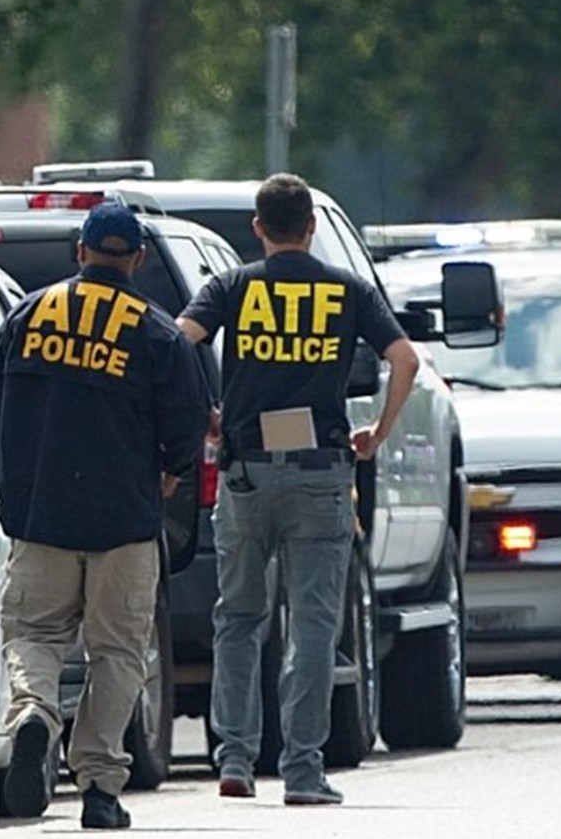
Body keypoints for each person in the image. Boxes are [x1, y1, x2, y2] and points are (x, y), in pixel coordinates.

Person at [175, 173, 419, 805]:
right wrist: (378, 432)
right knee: (312, 624)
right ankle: (303, 770)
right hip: (321, 471)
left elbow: (179, 341)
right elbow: (405, 359)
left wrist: (206, 412)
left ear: (258, 228)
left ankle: (234, 760)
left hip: (246, 471)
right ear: (311, 227)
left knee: (238, 618)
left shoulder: (233, 286)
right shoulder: (346, 290)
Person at [0, 199, 211, 830]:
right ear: (135, 259)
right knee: (118, 653)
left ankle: (33, 715)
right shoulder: (157, 331)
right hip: (125, 522)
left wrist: (17, 469)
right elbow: (189, 424)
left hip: (40, 516)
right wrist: (169, 467)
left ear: (80, 251)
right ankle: (100, 788)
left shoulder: (29, 314)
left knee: (33, 635)